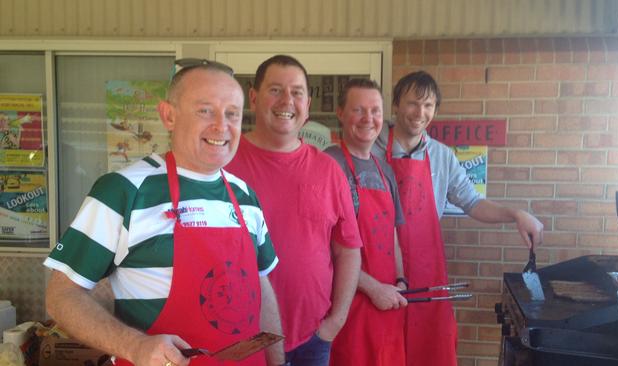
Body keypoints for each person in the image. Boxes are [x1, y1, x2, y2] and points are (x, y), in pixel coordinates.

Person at [44, 59, 286, 366]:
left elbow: (260, 285)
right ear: (168, 115)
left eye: (232, 114)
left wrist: (279, 362)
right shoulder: (123, 191)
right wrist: (135, 346)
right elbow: (62, 297)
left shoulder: (245, 196)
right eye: (205, 110)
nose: (221, 126)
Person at [373, 70, 544, 366]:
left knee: (429, 351)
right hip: (380, 269)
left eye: (428, 106)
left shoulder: (442, 156)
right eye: (413, 103)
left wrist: (515, 214)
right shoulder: (372, 149)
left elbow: (473, 202)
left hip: (428, 272)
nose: (420, 112)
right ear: (397, 105)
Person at [226, 55, 362, 366]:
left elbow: (348, 250)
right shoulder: (224, 165)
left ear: (308, 103)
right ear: (254, 97)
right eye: (276, 90)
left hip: (311, 340)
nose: (287, 100)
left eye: (297, 92)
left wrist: (335, 321)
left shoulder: (328, 170)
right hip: (241, 339)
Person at [324, 79, 407, 366]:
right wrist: (374, 289)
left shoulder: (384, 169)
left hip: (387, 305)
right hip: (346, 308)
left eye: (375, 110)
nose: (368, 118)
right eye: (358, 110)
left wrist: (400, 281)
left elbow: (393, 237)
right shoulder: (327, 165)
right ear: (341, 113)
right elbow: (323, 249)